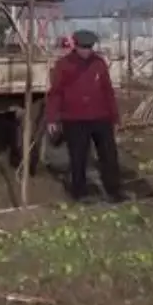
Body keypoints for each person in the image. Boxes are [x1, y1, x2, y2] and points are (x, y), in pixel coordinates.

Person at [45, 29, 124, 203]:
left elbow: (108, 91)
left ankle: (114, 190)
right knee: (78, 156)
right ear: (76, 46)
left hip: (100, 116)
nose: (86, 51)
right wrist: (52, 117)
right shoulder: (64, 65)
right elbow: (56, 93)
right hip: (75, 118)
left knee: (109, 155)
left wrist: (115, 117)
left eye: (89, 47)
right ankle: (80, 193)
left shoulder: (99, 63)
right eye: (83, 47)